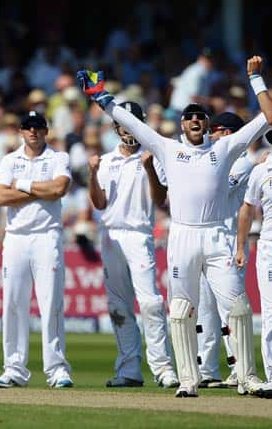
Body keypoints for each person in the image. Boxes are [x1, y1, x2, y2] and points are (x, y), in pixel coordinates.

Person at [77, 55, 272, 398]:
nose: (195, 120)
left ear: (207, 124)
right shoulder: (167, 148)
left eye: (200, 116)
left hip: (216, 235)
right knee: (181, 311)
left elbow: (267, 119)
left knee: (238, 306)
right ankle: (187, 379)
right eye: (189, 117)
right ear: (182, 126)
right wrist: (100, 96)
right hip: (182, 235)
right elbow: (133, 125)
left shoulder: (225, 146)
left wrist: (256, 81)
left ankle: (248, 376)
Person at [87, 101, 179, 389]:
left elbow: (159, 200)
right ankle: (129, 369)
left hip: (139, 235)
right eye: (123, 125)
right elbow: (100, 203)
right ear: (116, 128)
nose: (128, 131)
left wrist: (149, 168)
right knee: (118, 305)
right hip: (111, 235)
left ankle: (163, 368)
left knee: (151, 302)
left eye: (133, 124)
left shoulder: (153, 157)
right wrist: (91, 173)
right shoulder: (106, 160)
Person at [0, 110, 73, 389]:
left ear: (46, 130)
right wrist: (41, 190)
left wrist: (23, 186)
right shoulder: (10, 159)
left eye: (38, 127)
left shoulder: (59, 158)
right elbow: (1, 196)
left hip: (47, 236)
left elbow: (59, 189)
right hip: (15, 238)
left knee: (51, 304)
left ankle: (57, 369)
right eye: (28, 127)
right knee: (13, 303)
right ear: (21, 131)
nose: (33, 131)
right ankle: (14, 368)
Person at [197, 112, 258, 389]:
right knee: (205, 310)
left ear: (230, 132)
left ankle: (239, 367)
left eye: (217, 131)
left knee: (229, 309)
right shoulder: (218, 161)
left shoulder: (243, 162)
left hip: (230, 241)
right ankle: (207, 369)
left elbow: (213, 191)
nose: (212, 136)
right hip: (210, 238)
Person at [236, 136, 272, 386]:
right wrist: (240, 247)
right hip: (270, 247)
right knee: (271, 313)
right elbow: (247, 208)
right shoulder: (262, 170)